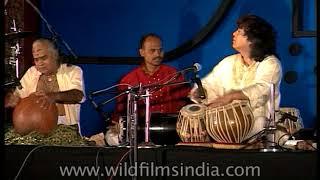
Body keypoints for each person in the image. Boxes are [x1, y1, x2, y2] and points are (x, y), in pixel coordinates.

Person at [189, 15, 282, 141]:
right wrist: (202, 91)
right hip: (224, 124)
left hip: (257, 125)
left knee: (260, 123)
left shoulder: (271, 63)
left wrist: (232, 96)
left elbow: (263, 89)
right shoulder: (229, 62)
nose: (233, 34)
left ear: (253, 40)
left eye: (239, 32)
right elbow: (211, 83)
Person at [107, 33, 191, 145]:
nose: (158, 54)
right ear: (142, 52)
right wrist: (117, 124)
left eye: (160, 50)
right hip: (140, 134)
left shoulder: (174, 75)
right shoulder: (128, 80)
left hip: (171, 132)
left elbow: (188, 104)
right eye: (152, 50)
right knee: (112, 138)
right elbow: (121, 113)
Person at [4, 38, 86, 145]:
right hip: (33, 135)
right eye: (36, 60)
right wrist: (12, 99)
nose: (40, 63)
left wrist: (53, 96)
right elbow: (17, 96)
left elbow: (78, 95)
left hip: (66, 130)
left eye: (44, 58)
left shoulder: (73, 71)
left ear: (56, 55)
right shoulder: (32, 72)